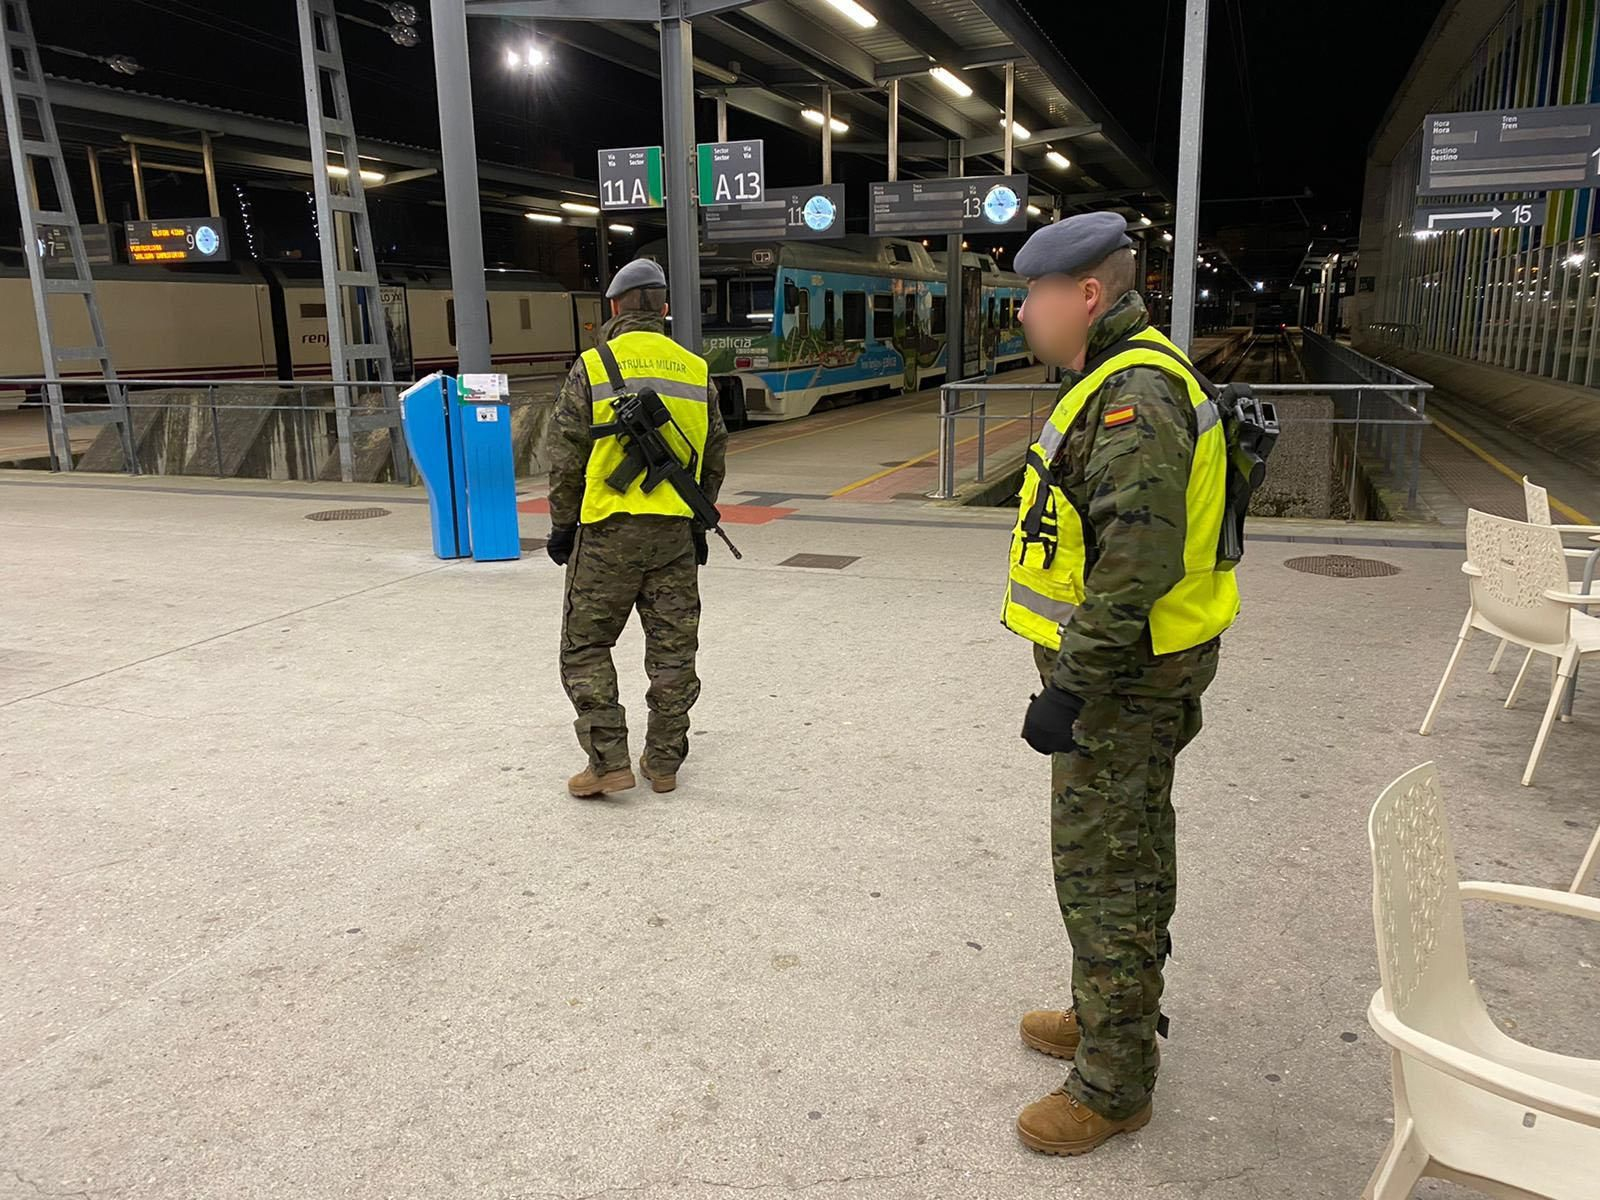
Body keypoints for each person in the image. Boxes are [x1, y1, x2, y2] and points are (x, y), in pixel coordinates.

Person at [1001, 212, 1240, 1156]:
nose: (1023, 312)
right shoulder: (1117, 379)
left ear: (1086, 295)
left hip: (1122, 687)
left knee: (1106, 873)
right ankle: (1108, 1015)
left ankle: (1112, 1085)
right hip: (1131, 680)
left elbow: (1136, 565)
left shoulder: (1135, 396)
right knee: (1128, 855)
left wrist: (1070, 687)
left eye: (1034, 295)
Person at [545, 258, 727, 799]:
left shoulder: (594, 363)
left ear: (614, 308)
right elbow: (714, 454)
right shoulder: (695, 368)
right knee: (673, 653)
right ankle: (664, 762)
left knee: (585, 647)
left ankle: (608, 762)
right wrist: (699, 517)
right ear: (665, 309)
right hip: (674, 535)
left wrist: (561, 525)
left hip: (606, 534)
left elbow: (565, 454)